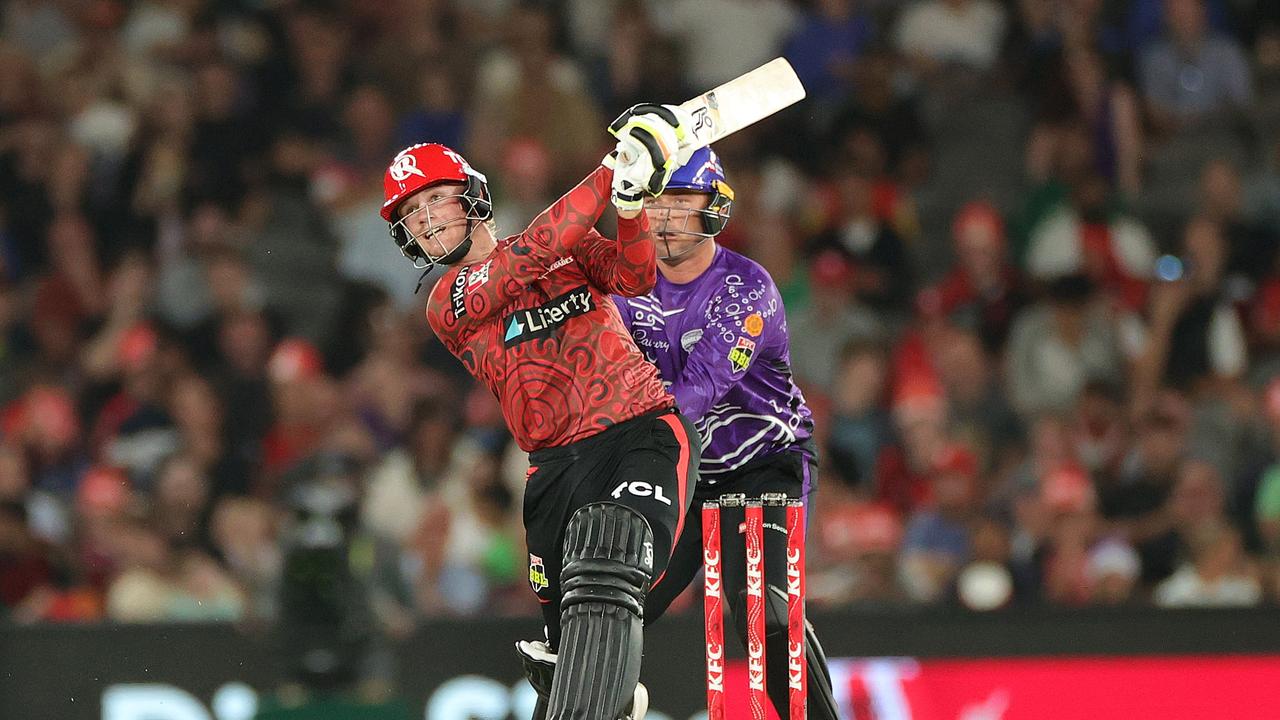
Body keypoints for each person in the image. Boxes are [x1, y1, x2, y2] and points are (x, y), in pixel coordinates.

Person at [379, 105, 702, 720]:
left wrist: (631, 206)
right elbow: (531, 253)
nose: (423, 222)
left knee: (610, 553)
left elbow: (634, 277)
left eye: (433, 202)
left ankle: (619, 681)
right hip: (554, 472)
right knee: (561, 671)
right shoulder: (449, 301)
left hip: (640, 434)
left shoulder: (564, 248)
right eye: (411, 217)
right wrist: (615, 171)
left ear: (472, 196)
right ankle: (616, 696)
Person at [612, 146, 841, 719]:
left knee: (759, 606)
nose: (665, 217)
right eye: (655, 201)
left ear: (713, 207)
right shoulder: (620, 288)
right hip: (681, 471)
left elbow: (696, 393)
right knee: (613, 604)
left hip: (762, 461)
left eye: (682, 201)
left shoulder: (745, 287)